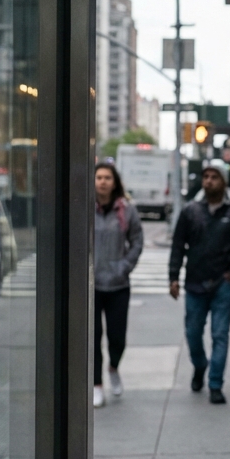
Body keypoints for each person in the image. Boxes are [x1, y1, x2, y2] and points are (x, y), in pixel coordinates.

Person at [169, 159, 230, 405]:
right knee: (193, 333)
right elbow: (178, 245)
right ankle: (200, 365)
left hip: (222, 283)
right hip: (194, 283)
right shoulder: (190, 210)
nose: (209, 181)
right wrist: (173, 277)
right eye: (206, 177)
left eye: (214, 177)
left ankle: (215, 384)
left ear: (223, 181)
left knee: (220, 335)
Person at [92, 162, 143, 408]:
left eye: (107, 178)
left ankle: (113, 367)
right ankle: (96, 384)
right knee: (92, 338)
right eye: (99, 177)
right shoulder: (84, 209)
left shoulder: (126, 210)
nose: (102, 181)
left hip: (118, 284)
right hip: (91, 285)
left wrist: (124, 266)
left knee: (117, 337)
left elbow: (137, 241)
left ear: (114, 182)